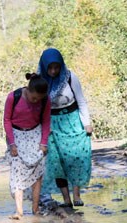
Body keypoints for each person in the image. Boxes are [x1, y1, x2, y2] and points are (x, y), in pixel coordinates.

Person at [37, 48, 93, 208]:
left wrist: (86, 123)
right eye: (50, 67)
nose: (54, 71)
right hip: (52, 124)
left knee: (75, 157)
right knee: (56, 162)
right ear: (44, 66)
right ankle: (66, 199)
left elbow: (81, 100)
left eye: (57, 67)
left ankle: (76, 194)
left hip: (72, 120)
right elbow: (38, 105)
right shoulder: (40, 80)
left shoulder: (69, 77)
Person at [3, 73, 52, 220]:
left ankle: (35, 209)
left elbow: (46, 121)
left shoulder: (45, 101)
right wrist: (12, 143)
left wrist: (44, 143)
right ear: (28, 90)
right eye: (34, 98)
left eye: (39, 99)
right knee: (18, 172)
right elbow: (6, 120)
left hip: (35, 135)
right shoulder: (14, 97)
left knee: (37, 173)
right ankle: (19, 211)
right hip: (17, 136)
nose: (36, 101)